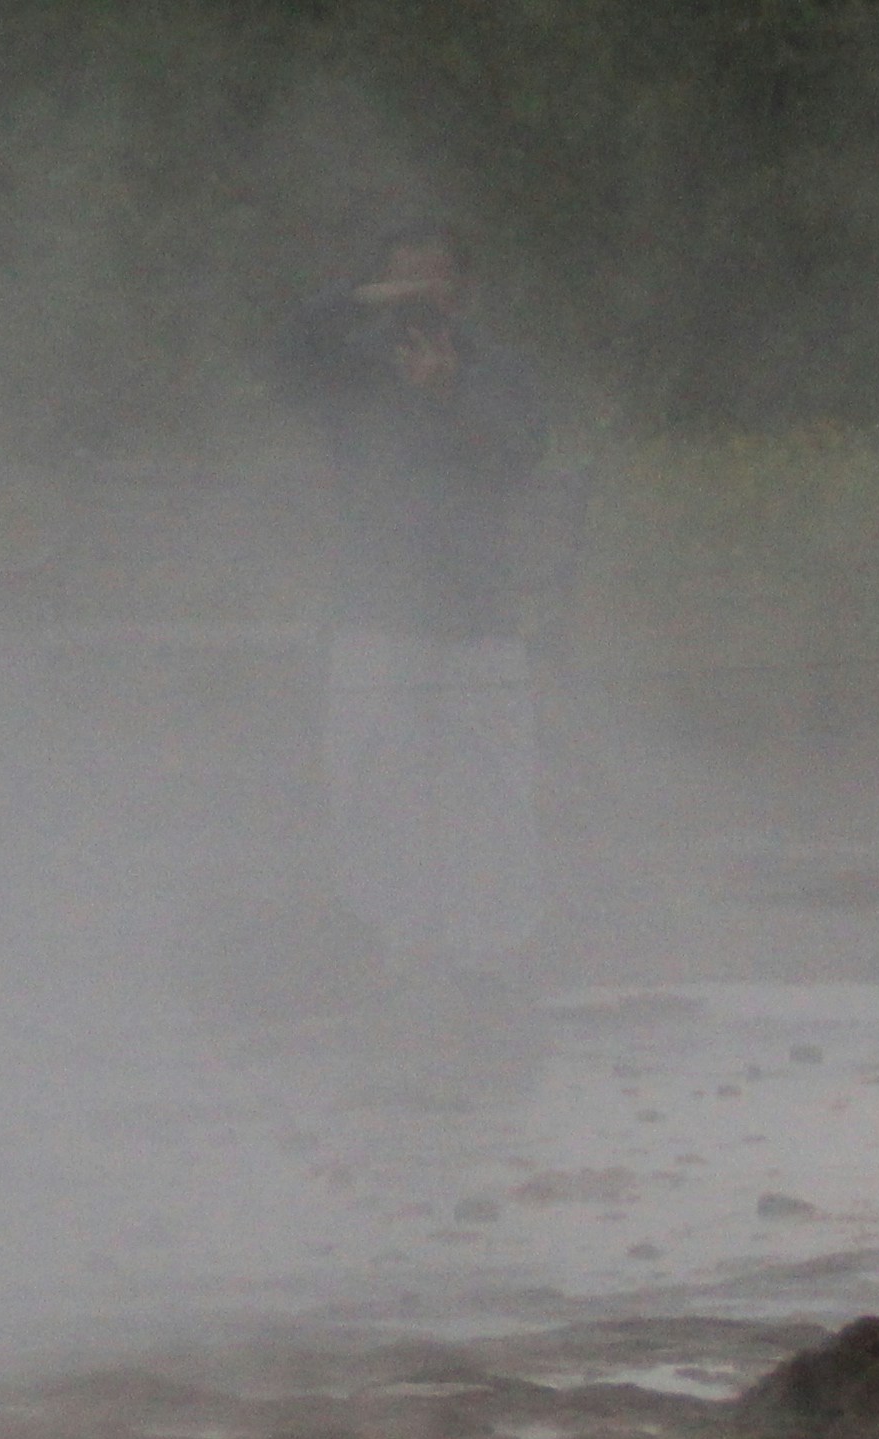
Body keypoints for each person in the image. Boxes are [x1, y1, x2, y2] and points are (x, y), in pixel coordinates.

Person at [280, 225, 549, 993]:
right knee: (366, 773)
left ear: (460, 292)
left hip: (476, 607)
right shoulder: (350, 365)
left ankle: (493, 941)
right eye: (401, 284)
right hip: (374, 602)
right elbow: (282, 356)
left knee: (495, 779)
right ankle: (390, 934)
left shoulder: (495, 368)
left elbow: (519, 453)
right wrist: (360, 299)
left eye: (432, 285)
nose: (417, 302)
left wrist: (448, 393)